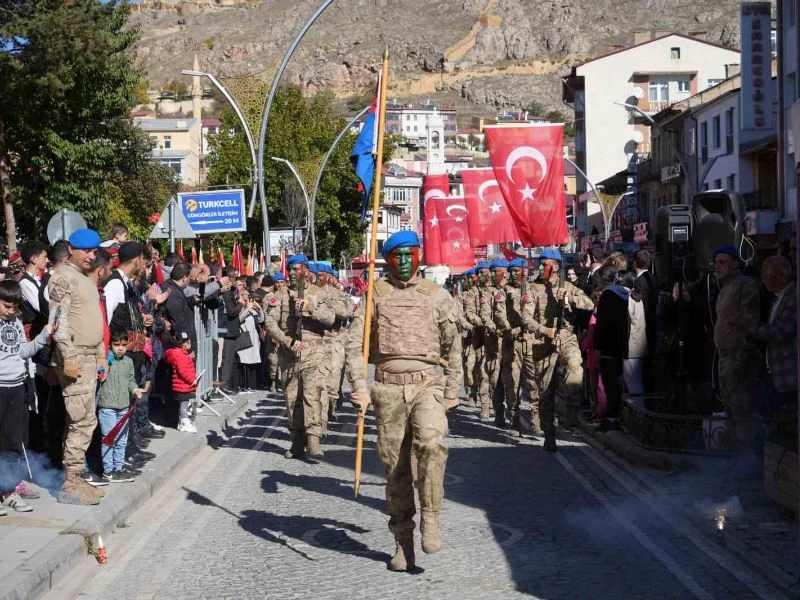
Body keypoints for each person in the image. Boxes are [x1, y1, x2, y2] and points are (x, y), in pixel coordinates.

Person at [344, 231, 461, 572]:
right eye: (399, 256)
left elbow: (453, 345)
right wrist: (359, 386)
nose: (406, 261)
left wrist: (452, 389)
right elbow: (356, 346)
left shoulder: (437, 296)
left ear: (419, 256)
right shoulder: (374, 296)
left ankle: (432, 517)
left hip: (427, 384)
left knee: (433, 445)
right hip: (388, 388)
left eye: (411, 254)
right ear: (388, 260)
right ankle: (402, 541)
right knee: (396, 470)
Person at [264, 254, 350, 458]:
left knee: (313, 395)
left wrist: (311, 309)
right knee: (292, 399)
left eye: (297, 269)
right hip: (290, 353)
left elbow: (331, 319)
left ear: (306, 271)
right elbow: (270, 323)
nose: (294, 273)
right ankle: (296, 441)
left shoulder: (319, 294)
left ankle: (314, 439)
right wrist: (287, 341)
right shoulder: (282, 295)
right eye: (291, 269)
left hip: (314, 351)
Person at [49, 228, 107, 505]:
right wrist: (69, 357)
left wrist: (99, 354)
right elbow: (58, 325)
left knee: (84, 419)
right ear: (71, 249)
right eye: (87, 251)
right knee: (82, 420)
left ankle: (75, 477)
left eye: (95, 251)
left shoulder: (84, 279)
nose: (91, 256)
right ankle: (71, 483)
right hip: (74, 359)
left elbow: (92, 320)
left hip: (87, 357)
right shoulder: (63, 279)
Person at [521, 248, 593, 451]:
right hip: (544, 342)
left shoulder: (568, 287)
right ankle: (549, 433)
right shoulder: (533, 289)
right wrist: (546, 331)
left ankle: (572, 410)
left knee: (575, 367)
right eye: (540, 264)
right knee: (545, 393)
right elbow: (526, 318)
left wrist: (569, 299)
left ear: (556, 267)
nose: (541, 267)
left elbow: (589, 304)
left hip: (566, 337)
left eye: (545, 264)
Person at [0, 280, 53, 513]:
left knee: (13, 442)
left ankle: (8, 490)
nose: (10, 311)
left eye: (14, 307)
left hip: (17, 387)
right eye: (5, 306)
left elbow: (23, 351)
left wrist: (42, 337)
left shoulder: (16, 322)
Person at [713, 245, 761, 446]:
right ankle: (735, 453)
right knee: (730, 405)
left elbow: (749, 325)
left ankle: (746, 453)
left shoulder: (745, 285)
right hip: (724, 355)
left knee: (741, 406)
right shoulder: (724, 287)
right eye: (716, 263)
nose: (718, 267)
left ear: (736, 264)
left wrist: (742, 356)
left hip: (737, 354)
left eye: (722, 262)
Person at [747, 255, 796, 412]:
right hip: (776, 373)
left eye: (766, 274)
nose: (762, 278)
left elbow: (780, 332)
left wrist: (749, 327)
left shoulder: (793, 298)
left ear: (778, 276)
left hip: (790, 376)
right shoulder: (777, 299)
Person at [97, 330, 143, 483]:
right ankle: (108, 471)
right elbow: (99, 376)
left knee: (121, 440)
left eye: (123, 345)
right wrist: (104, 364)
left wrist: (135, 389)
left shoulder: (129, 362)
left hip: (123, 406)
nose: (121, 348)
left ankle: (119, 468)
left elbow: (131, 379)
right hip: (107, 406)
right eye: (116, 345)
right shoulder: (105, 360)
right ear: (110, 345)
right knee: (109, 439)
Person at [165, 331, 198, 433]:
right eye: (189, 342)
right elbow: (183, 371)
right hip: (183, 385)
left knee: (183, 404)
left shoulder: (179, 354)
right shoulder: (181, 355)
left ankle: (183, 421)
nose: (190, 344)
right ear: (185, 343)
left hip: (181, 385)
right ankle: (183, 423)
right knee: (184, 404)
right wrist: (193, 379)